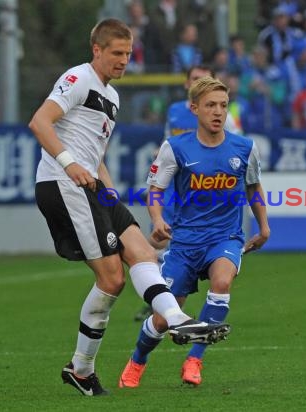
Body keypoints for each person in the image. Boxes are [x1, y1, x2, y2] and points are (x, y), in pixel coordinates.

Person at [28, 18, 229, 397]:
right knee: (112, 279)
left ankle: (175, 317)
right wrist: (70, 163)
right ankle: (82, 368)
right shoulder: (78, 79)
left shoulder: (113, 97)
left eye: (128, 54)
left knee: (143, 252)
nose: (124, 61)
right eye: (117, 53)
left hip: (93, 186)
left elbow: (96, 154)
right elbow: (40, 122)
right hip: (63, 184)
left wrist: (111, 196)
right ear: (97, 50)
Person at [119, 76, 270, 388]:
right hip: (185, 242)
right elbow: (155, 189)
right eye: (211, 105)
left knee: (223, 280)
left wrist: (264, 226)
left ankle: (194, 359)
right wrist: (158, 219)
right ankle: (137, 360)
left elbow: (253, 186)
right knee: (162, 319)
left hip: (225, 237)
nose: (218, 112)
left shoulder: (244, 148)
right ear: (194, 109)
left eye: (223, 106)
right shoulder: (175, 147)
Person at [133, 64, 242, 322]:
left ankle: (176, 298)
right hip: (176, 186)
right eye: (195, 78)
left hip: (206, 189)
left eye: (205, 78)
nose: (199, 81)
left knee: (193, 245)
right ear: (186, 85)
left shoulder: (223, 115)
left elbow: (236, 146)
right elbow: (169, 140)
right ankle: (160, 300)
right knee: (159, 241)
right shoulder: (174, 112)